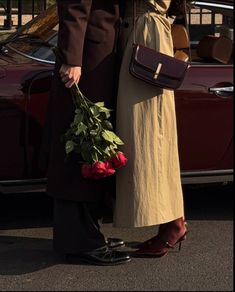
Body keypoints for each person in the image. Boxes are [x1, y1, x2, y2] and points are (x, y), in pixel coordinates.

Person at [42, 0, 131, 266]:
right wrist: (72, 58)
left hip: (98, 55)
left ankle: (90, 234)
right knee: (81, 145)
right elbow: (74, 6)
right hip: (86, 61)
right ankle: (80, 243)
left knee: (93, 145)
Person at [114, 0, 189, 257]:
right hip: (138, 31)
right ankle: (172, 221)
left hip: (146, 35)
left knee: (149, 131)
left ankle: (173, 223)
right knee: (148, 131)